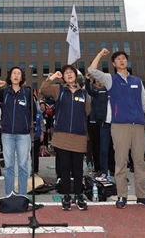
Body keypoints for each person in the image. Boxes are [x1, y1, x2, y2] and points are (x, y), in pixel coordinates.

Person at [88, 48, 145, 209]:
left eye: (123, 58)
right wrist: (99, 54)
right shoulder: (110, 79)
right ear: (113, 63)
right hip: (119, 125)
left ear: (127, 61)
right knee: (120, 162)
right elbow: (92, 70)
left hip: (139, 125)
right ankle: (122, 195)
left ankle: (142, 195)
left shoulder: (137, 81)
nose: (121, 60)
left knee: (139, 162)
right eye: (118, 59)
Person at [40, 67, 91, 211]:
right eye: (66, 73)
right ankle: (67, 195)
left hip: (79, 135)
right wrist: (52, 77)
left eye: (71, 72)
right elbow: (43, 89)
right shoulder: (59, 90)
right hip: (62, 135)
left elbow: (87, 111)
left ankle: (79, 196)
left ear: (75, 76)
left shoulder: (83, 93)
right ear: (63, 77)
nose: (69, 74)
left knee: (78, 169)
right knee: (64, 168)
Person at [0, 67, 34, 196]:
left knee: (23, 166)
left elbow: (33, 111)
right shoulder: (4, 92)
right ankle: (9, 195)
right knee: (9, 166)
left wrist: (28, 126)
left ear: (22, 77)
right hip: (7, 134)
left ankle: (23, 195)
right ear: (10, 77)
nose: (16, 76)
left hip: (23, 134)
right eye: (14, 73)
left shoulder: (27, 93)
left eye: (18, 73)